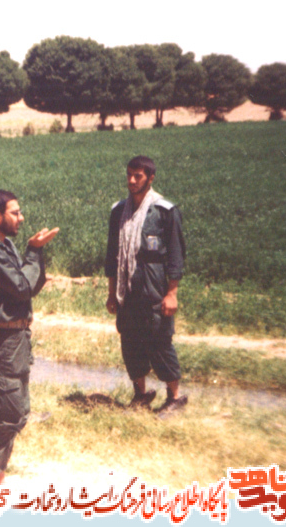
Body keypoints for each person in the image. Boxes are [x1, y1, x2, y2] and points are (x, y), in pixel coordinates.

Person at [0, 189, 58, 488]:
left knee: (15, 410)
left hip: (15, 337)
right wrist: (33, 251)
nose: (21, 218)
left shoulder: (3, 245)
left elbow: (28, 285)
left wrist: (35, 254)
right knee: (4, 412)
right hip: (3, 339)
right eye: (15, 212)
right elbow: (22, 287)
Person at [105, 156, 187, 414]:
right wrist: (111, 293)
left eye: (138, 176)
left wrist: (172, 293)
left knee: (160, 343)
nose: (131, 181)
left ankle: (175, 398)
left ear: (150, 178)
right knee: (130, 343)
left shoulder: (164, 211)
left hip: (154, 292)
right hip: (127, 293)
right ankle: (140, 395)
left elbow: (176, 255)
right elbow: (112, 255)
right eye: (129, 175)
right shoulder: (118, 211)